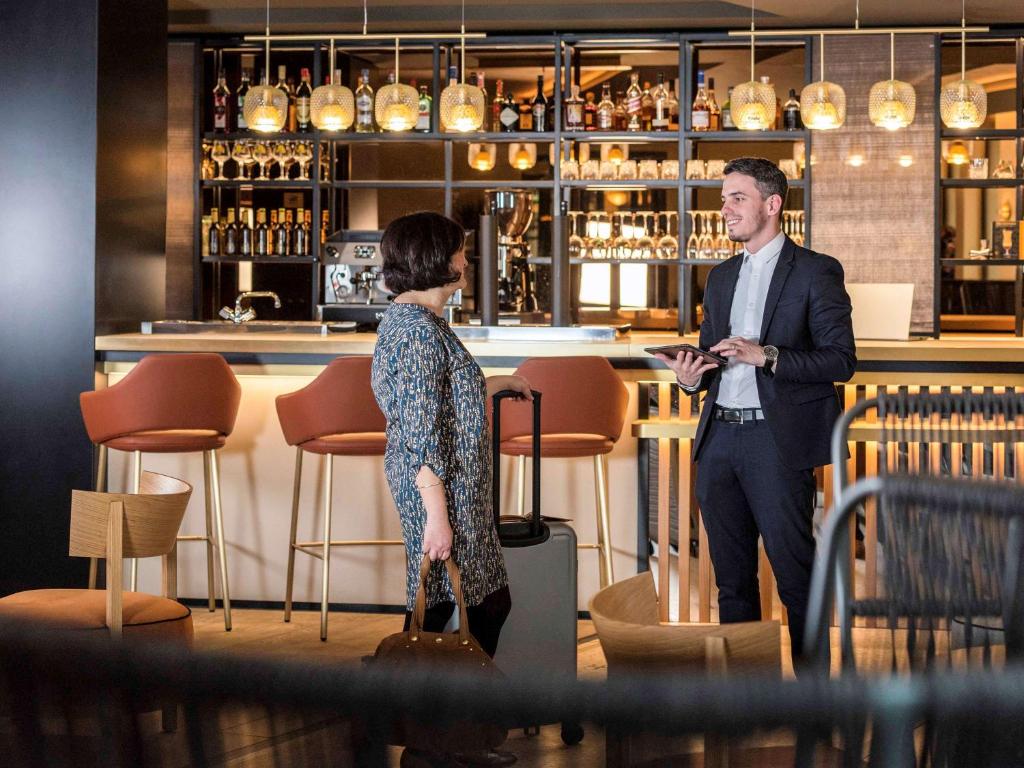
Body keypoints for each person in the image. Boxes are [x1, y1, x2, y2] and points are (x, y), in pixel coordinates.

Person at [657, 157, 856, 664]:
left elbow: (841, 360)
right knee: (732, 581)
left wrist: (764, 355)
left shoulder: (816, 270)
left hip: (776, 442)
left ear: (772, 204)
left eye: (736, 198)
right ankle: (746, 701)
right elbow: (710, 358)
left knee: (795, 575)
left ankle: (814, 702)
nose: (724, 208)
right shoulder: (721, 277)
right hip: (718, 439)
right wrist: (688, 378)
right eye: (724, 198)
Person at [371, 211, 530, 768]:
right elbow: (418, 435)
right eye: (460, 251)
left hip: (453, 493)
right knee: (457, 607)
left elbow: (440, 398)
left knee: (444, 606)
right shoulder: (417, 332)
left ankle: (442, 738)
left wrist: (498, 383)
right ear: (437, 260)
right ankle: (436, 741)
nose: (466, 259)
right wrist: (437, 515)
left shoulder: (421, 322)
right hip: (441, 494)